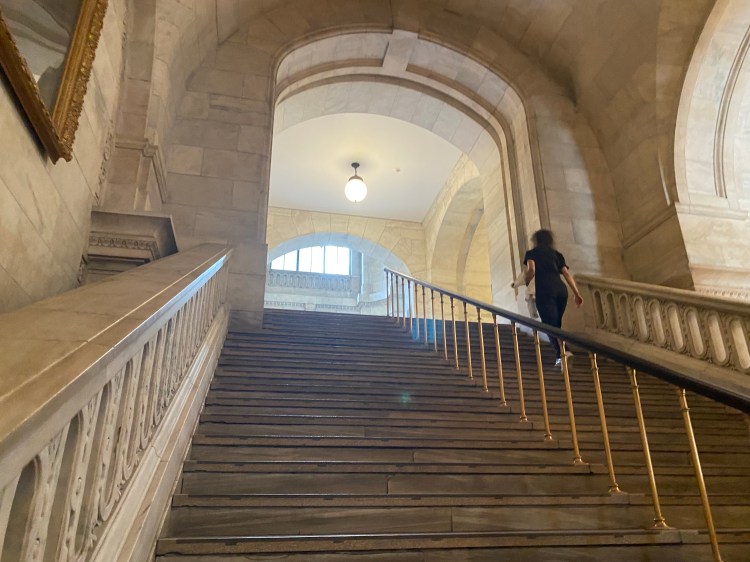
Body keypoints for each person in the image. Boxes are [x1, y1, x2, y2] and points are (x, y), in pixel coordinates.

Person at [523, 229, 583, 367]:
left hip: (545, 291)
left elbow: (532, 269)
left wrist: (527, 280)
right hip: (561, 291)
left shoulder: (531, 253)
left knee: (549, 325)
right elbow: (566, 274)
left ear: (536, 240)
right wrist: (577, 293)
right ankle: (562, 355)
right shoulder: (556, 254)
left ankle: (563, 354)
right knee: (555, 324)